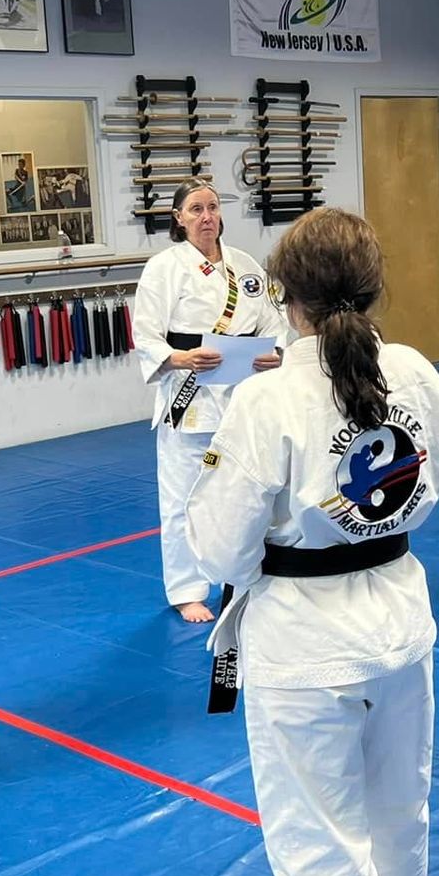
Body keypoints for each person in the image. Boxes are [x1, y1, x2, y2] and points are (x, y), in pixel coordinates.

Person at [188, 207, 439, 876]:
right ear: (375, 287)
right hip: (401, 623)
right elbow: (426, 486)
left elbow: (222, 544)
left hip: (305, 646)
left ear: (285, 297)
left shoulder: (266, 399)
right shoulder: (419, 376)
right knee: (397, 808)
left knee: (319, 839)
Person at [133, 178, 286, 622]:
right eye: (196, 209)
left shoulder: (245, 265)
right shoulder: (164, 267)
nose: (207, 217)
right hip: (190, 394)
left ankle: (240, 572)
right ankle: (186, 589)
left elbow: (275, 322)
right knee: (183, 497)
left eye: (213, 208)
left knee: (245, 490)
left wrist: (273, 354)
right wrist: (179, 357)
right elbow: (145, 333)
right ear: (178, 218)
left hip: (243, 392)